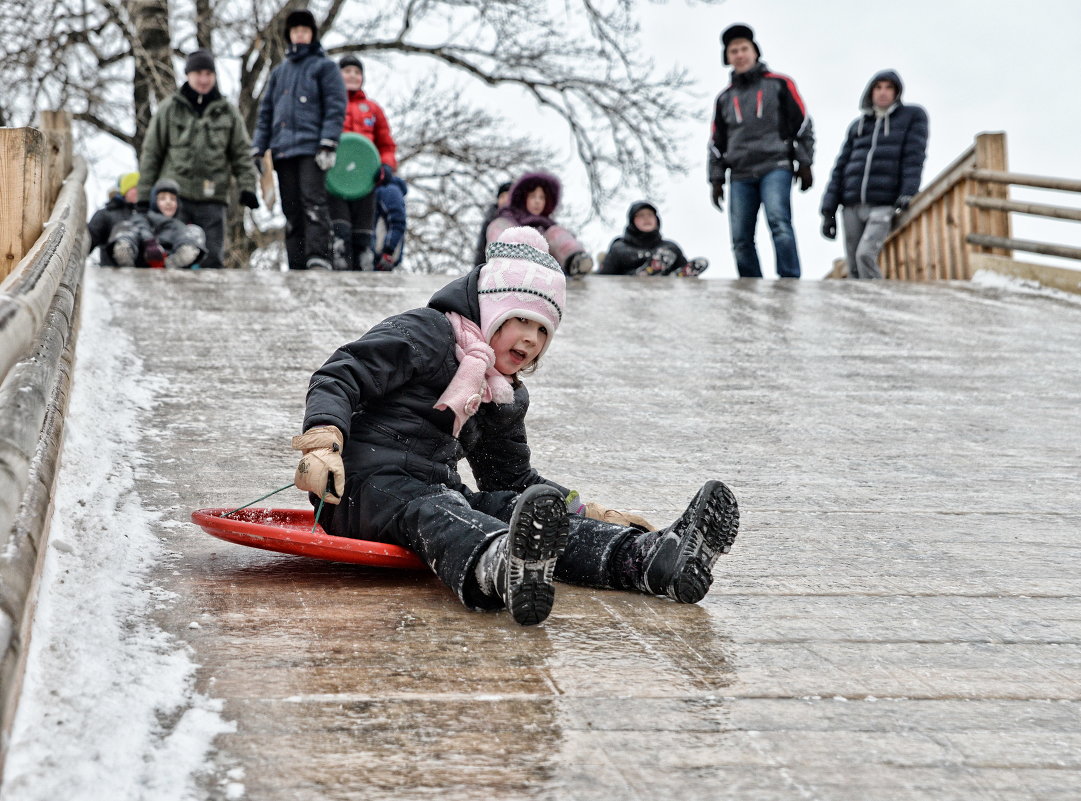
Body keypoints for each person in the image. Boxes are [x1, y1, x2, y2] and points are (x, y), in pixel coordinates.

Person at [290, 225, 740, 626]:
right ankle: (500, 565)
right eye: (519, 320)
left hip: (436, 488)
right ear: (490, 310)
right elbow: (343, 372)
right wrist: (324, 440)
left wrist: (583, 510)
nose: (530, 338)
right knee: (429, 509)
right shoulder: (428, 333)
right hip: (358, 489)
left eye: (543, 330)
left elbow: (514, 478)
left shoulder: (503, 393)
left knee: (508, 508)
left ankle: (648, 559)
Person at [136, 49, 260, 269]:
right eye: (198, 73)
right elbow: (152, 154)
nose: (204, 79)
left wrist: (248, 186)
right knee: (173, 255)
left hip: (213, 198)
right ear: (188, 75)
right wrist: (145, 196)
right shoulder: (169, 109)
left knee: (211, 259)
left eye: (208, 74)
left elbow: (241, 153)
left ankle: (210, 302)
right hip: (175, 198)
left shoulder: (228, 112)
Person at [708, 23, 814, 278]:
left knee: (779, 223)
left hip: (775, 165)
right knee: (740, 237)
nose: (740, 55)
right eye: (734, 51)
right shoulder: (724, 98)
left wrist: (805, 163)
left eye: (744, 49)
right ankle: (750, 286)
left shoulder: (779, 84)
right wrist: (715, 179)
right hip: (741, 172)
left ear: (755, 51)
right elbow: (715, 143)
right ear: (728, 58)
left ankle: (789, 281)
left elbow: (803, 125)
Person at [251, 9, 346, 270]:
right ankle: (296, 261)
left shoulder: (324, 67)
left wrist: (328, 141)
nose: (300, 35)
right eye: (295, 31)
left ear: (312, 34)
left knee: (312, 203)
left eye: (304, 31)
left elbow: (335, 106)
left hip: (311, 149)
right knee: (290, 209)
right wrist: (259, 148)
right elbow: (266, 113)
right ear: (289, 35)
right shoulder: (279, 73)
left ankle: (318, 257)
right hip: (282, 151)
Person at [820, 70, 929, 279]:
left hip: (883, 204)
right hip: (851, 204)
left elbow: (914, 157)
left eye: (888, 87)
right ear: (870, 92)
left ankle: (877, 305)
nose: (883, 92)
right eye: (878, 87)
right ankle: (856, 310)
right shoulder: (858, 126)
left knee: (865, 255)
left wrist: (908, 192)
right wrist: (828, 210)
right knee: (852, 265)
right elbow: (840, 167)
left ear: (897, 92)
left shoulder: (912, 117)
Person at [329, 54, 398, 271]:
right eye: (347, 71)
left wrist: (387, 166)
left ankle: (363, 260)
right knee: (339, 224)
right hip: (335, 176)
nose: (352, 75)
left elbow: (386, 144)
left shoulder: (372, 109)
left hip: (366, 178)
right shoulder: (330, 105)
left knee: (363, 225)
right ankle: (340, 258)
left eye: (357, 72)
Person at [486, 172, 593, 276]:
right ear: (524, 199)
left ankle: (575, 260)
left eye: (541, 198)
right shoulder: (509, 217)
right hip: (514, 264)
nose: (537, 201)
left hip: (543, 269)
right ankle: (500, 258)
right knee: (501, 225)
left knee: (555, 232)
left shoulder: (548, 226)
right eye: (533, 196)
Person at [108, 179, 207, 269]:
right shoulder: (144, 217)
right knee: (125, 226)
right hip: (142, 257)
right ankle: (125, 251)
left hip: (168, 259)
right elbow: (140, 225)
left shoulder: (179, 226)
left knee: (194, 230)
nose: (168, 202)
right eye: (163, 198)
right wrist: (148, 241)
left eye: (172, 199)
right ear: (155, 202)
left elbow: (184, 234)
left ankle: (181, 256)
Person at [599, 201, 709, 277]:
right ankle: (644, 274)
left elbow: (682, 266)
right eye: (641, 215)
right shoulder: (619, 248)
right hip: (628, 294)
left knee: (668, 258)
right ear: (632, 221)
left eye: (650, 215)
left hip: (666, 295)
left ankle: (670, 277)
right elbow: (604, 278)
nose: (646, 218)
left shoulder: (670, 248)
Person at [88, 172, 139, 266]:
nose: (139, 191)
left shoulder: (148, 215)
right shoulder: (107, 214)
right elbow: (88, 241)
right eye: (134, 188)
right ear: (125, 190)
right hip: (111, 273)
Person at [370, 174, 408, 270]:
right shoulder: (383, 189)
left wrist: (388, 251)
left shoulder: (389, 190)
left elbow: (397, 223)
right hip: (378, 255)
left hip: (382, 256)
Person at [473, 181, 512, 266]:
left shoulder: (520, 220)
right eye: (502, 196)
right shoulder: (490, 219)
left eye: (509, 196)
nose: (505, 200)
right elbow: (481, 249)